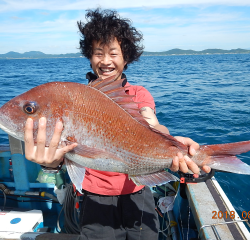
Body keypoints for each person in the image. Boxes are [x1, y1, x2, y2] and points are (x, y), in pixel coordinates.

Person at [24, 8, 210, 240]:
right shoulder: (77, 99)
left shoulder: (138, 94)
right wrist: (50, 165)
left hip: (138, 191)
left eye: (113, 53)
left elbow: (153, 126)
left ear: (126, 57)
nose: (105, 61)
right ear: (89, 56)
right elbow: (67, 153)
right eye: (98, 53)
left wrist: (172, 142)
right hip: (94, 196)